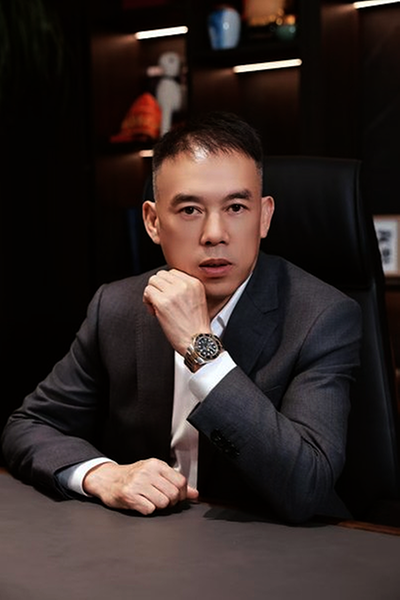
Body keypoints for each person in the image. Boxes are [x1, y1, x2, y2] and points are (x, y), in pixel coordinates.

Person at [1, 111, 362, 524]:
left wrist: (201, 349)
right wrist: (103, 475)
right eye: (190, 210)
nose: (215, 234)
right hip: (148, 542)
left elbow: (307, 486)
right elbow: (29, 425)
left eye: (236, 207)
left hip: (274, 547)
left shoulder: (321, 317)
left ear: (264, 216)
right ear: (153, 222)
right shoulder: (116, 306)